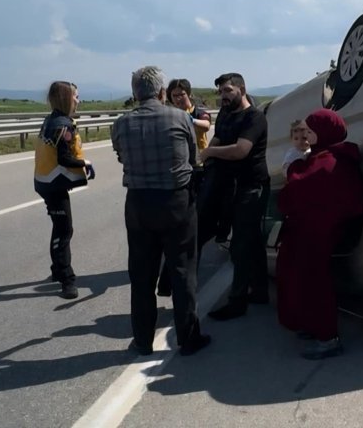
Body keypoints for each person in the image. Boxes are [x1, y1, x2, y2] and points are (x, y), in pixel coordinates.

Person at [112, 66, 210, 356]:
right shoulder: (181, 117)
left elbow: (121, 156)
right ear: (161, 92)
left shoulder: (121, 123)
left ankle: (142, 340)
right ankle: (188, 338)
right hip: (176, 201)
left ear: (134, 93)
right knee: (182, 270)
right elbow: (192, 158)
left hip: (139, 202)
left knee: (141, 275)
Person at [276, 108, 363, 359]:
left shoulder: (328, 161)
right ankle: (309, 325)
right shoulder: (331, 156)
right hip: (316, 231)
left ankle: (327, 338)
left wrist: (294, 167)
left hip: (317, 234)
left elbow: (298, 190)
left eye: (311, 131)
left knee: (314, 283)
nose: (306, 135)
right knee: (302, 279)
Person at [197, 72, 270, 321]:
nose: (223, 96)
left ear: (241, 89)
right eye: (220, 91)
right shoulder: (227, 114)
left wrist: (210, 153)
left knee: (240, 244)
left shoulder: (255, 117)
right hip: (232, 186)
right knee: (253, 240)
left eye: (228, 90)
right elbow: (217, 139)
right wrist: (206, 153)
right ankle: (260, 291)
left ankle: (237, 301)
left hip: (252, 186)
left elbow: (241, 150)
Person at [34, 81, 95, 300]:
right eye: (76, 96)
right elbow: (64, 158)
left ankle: (57, 269)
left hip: (44, 182)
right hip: (53, 185)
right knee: (64, 230)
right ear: (65, 98)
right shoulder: (62, 125)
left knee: (60, 227)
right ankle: (66, 279)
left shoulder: (52, 119)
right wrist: (85, 163)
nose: (78, 100)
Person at [156, 78, 212, 297]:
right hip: (178, 172)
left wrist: (187, 118)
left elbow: (206, 124)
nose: (179, 98)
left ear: (189, 94)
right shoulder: (169, 114)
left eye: (182, 94)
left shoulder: (198, 111)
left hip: (199, 169)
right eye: (174, 95)